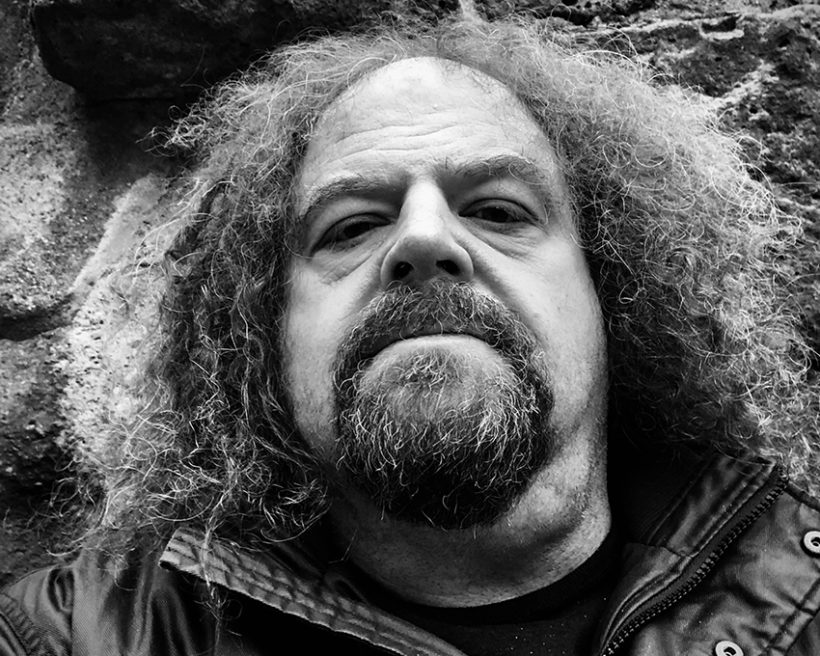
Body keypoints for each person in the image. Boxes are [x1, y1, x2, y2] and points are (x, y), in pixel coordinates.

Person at [1, 13, 818, 656]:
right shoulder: (71, 636)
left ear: (612, 293)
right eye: (352, 226)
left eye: (497, 210)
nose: (424, 240)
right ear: (260, 335)